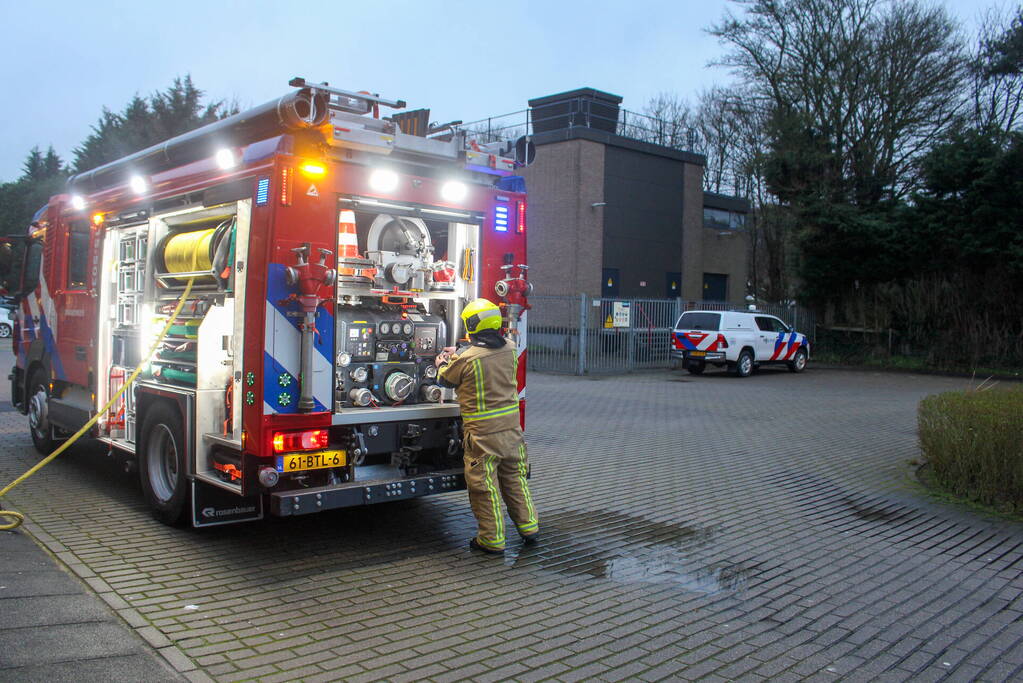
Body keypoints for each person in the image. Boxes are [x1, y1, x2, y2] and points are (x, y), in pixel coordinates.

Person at [436, 298, 538, 554]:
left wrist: (442, 361)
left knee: (484, 487)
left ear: (471, 324)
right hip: (512, 431)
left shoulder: (467, 358)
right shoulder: (511, 348)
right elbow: (487, 354)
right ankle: (530, 527)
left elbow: (445, 379)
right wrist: (460, 351)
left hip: (483, 435)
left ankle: (491, 540)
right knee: (515, 480)